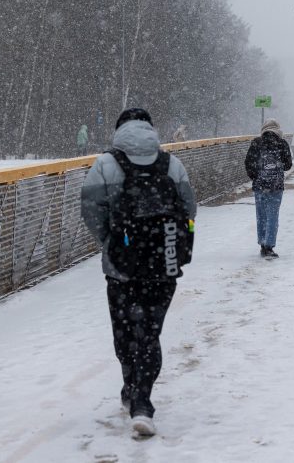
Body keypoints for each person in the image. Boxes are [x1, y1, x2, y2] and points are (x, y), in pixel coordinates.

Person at [80, 107, 196, 437]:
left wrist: (112, 240)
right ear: (150, 130)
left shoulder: (105, 164)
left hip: (121, 268)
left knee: (125, 333)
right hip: (163, 265)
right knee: (149, 333)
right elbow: (190, 209)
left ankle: (133, 389)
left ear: (119, 131)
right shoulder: (172, 164)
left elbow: (89, 210)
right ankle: (142, 401)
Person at [245, 118, 293, 258]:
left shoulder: (257, 143)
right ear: (277, 129)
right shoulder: (281, 143)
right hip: (276, 186)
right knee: (272, 216)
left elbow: (249, 162)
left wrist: (256, 176)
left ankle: (262, 243)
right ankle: (269, 246)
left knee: (261, 216)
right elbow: (288, 164)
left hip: (260, 186)